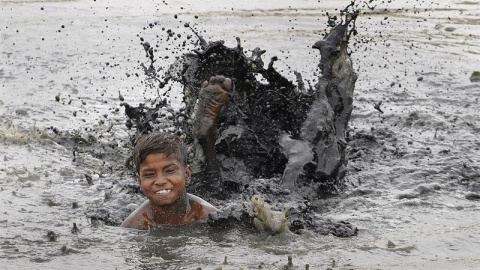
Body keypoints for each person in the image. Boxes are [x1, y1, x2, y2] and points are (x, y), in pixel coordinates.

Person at [120, 132, 218, 229]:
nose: (160, 181)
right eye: (149, 175)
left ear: (187, 174)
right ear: (140, 182)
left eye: (169, 171)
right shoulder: (133, 225)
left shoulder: (208, 215)